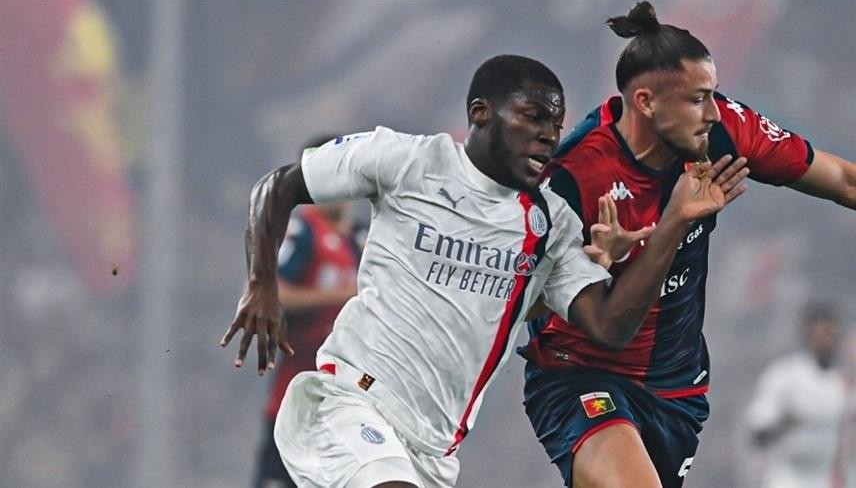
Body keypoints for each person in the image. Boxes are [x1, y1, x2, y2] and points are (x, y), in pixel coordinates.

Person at [221, 54, 748, 488]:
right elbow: (278, 186)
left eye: (555, 126)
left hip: (434, 451)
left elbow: (609, 327)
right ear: (480, 112)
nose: (547, 137)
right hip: (353, 402)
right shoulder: (407, 161)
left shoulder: (551, 223)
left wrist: (674, 223)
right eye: (533, 118)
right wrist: (262, 285)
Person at [520, 2, 856, 488]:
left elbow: (844, 180)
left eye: (713, 95)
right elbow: (588, 322)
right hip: (581, 372)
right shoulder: (574, 177)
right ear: (646, 102)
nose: (714, 112)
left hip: (674, 387)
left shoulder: (722, 131)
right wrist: (668, 224)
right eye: (698, 99)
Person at [253, 138, 360, 488]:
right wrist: (345, 295)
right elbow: (274, 294)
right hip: (297, 401)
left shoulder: (364, 239)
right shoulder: (304, 231)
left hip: (351, 403)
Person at [745, 302, 849, 488]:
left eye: (831, 334)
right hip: (786, 478)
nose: (826, 340)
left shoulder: (842, 383)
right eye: (821, 333)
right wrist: (783, 424)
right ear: (808, 334)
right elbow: (756, 433)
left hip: (825, 480)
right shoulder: (785, 375)